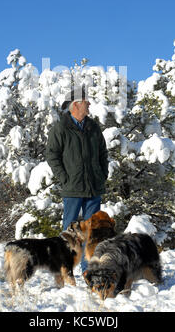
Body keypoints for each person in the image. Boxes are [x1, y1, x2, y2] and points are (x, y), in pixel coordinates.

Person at [45, 86, 109, 277]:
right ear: (76, 104)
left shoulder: (94, 126)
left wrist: (102, 174)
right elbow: (52, 155)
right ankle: (66, 269)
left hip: (93, 188)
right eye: (86, 101)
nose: (89, 104)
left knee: (93, 231)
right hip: (72, 188)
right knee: (70, 232)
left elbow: (103, 153)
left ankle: (88, 270)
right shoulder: (60, 128)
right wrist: (64, 178)